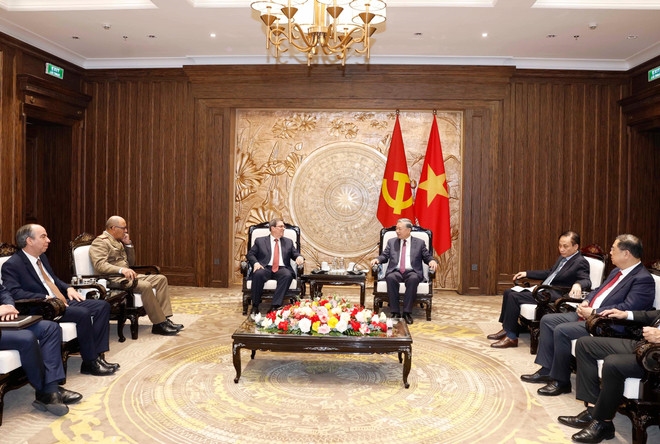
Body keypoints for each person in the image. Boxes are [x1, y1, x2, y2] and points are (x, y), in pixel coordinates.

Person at [520, 234, 655, 397]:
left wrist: (594, 312)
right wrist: (586, 302)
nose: (610, 252)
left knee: (562, 330)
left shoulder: (643, 279)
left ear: (626, 253)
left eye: (613, 249)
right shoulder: (617, 271)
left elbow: (628, 308)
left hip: (606, 323)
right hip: (589, 314)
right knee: (548, 320)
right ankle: (547, 370)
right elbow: (597, 290)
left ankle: (561, 382)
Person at [1, 224, 119, 377]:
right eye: (43, 236)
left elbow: (53, 280)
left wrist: (68, 288)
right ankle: (90, 362)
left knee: (102, 306)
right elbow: (15, 292)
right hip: (44, 307)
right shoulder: (12, 264)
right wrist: (45, 298)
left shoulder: (41, 258)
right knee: (82, 313)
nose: (48, 240)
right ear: (29, 241)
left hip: (61, 300)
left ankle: (97, 356)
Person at [557, 308, 660, 443]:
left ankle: (603, 423)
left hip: (655, 358)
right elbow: (656, 314)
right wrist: (625, 314)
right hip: (645, 346)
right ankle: (593, 411)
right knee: (585, 344)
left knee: (613, 363)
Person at [488, 231, 591, 349]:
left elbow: (586, 280)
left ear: (575, 246)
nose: (561, 249)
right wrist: (527, 273)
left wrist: (578, 284)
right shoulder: (563, 258)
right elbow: (549, 273)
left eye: (565, 246)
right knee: (508, 292)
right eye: (559, 245)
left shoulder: (580, 262)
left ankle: (511, 337)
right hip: (544, 290)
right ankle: (507, 328)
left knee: (514, 297)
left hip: (554, 294)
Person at [89, 216, 183, 336]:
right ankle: (159, 323)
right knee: (145, 285)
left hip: (127, 276)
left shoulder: (117, 241)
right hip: (113, 279)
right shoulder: (100, 242)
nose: (126, 231)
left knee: (161, 279)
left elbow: (131, 263)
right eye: (123, 228)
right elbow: (100, 265)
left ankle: (164, 319)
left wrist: (128, 245)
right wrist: (121, 270)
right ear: (113, 228)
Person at [0, 284, 82, 416]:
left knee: (51, 328)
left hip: (4, 321)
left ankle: (50, 389)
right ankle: (48, 391)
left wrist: (9, 306)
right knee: (27, 338)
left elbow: (3, 291)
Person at [370, 218, 438, 325]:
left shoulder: (419, 243)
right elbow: (385, 255)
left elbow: (427, 256)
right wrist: (378, 259)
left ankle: (407, 313)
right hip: (396, 271)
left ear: (408, 230)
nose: (397, 231)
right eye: (396, 228)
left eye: (400, 229)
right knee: (390, 278)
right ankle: (395, 312)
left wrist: (432, 261)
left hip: (412, 271)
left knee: (413, 279)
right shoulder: (392, 242)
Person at [246, 218, 304, 314]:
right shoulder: (260, 241)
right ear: (273, 228)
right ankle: (255, 306)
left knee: (287, 275)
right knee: (258, 274)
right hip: (265, 267)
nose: (283, 228)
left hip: (281, 268)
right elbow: (250, 254)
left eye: (284, 226)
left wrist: (299, 257)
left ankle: (275, 306)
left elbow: (295, 254)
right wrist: (256, 263)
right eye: (281, 226)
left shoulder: (288, 242)